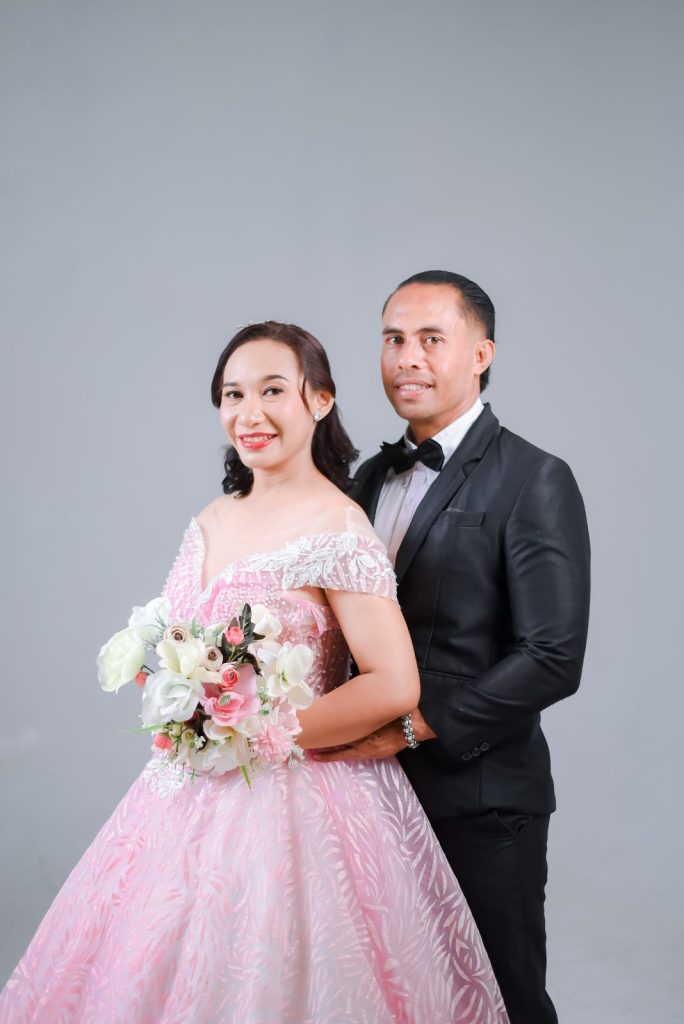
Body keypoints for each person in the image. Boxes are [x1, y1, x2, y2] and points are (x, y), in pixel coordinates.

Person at [0, 320, 508, 1024]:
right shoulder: (210, 518)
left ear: (320, 400)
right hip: (182, 797)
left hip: (306, 801)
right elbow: (184, 639)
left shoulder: (339, 527)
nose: (249, 412)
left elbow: (395, 684)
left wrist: (257, 730)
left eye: (272, 390)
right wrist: (175, 689)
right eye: (232, 394)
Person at [316, 272, 591, 1024]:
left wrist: (412, 728)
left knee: (500, 1001)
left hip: (480, 799)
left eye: (431, 339)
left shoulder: (534, 478)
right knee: (388, 1001)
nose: (408, 358)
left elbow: (553, 655)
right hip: (366, 796)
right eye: (394, 339)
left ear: (480, 355)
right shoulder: (366, 480)